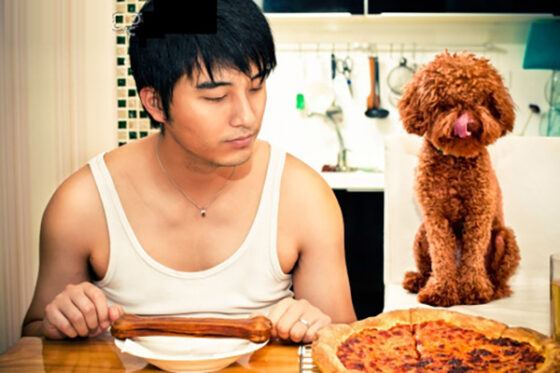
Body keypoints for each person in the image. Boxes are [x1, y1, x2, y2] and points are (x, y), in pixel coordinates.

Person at [21, 0, 356, 344]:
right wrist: (60, 323)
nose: (247, 116)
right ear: (155, 103)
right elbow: (33, 335)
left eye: (256, 88)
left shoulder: (304, 196)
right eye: (215, 97)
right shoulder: (83, 203)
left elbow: (347, 343)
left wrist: (318, 326)